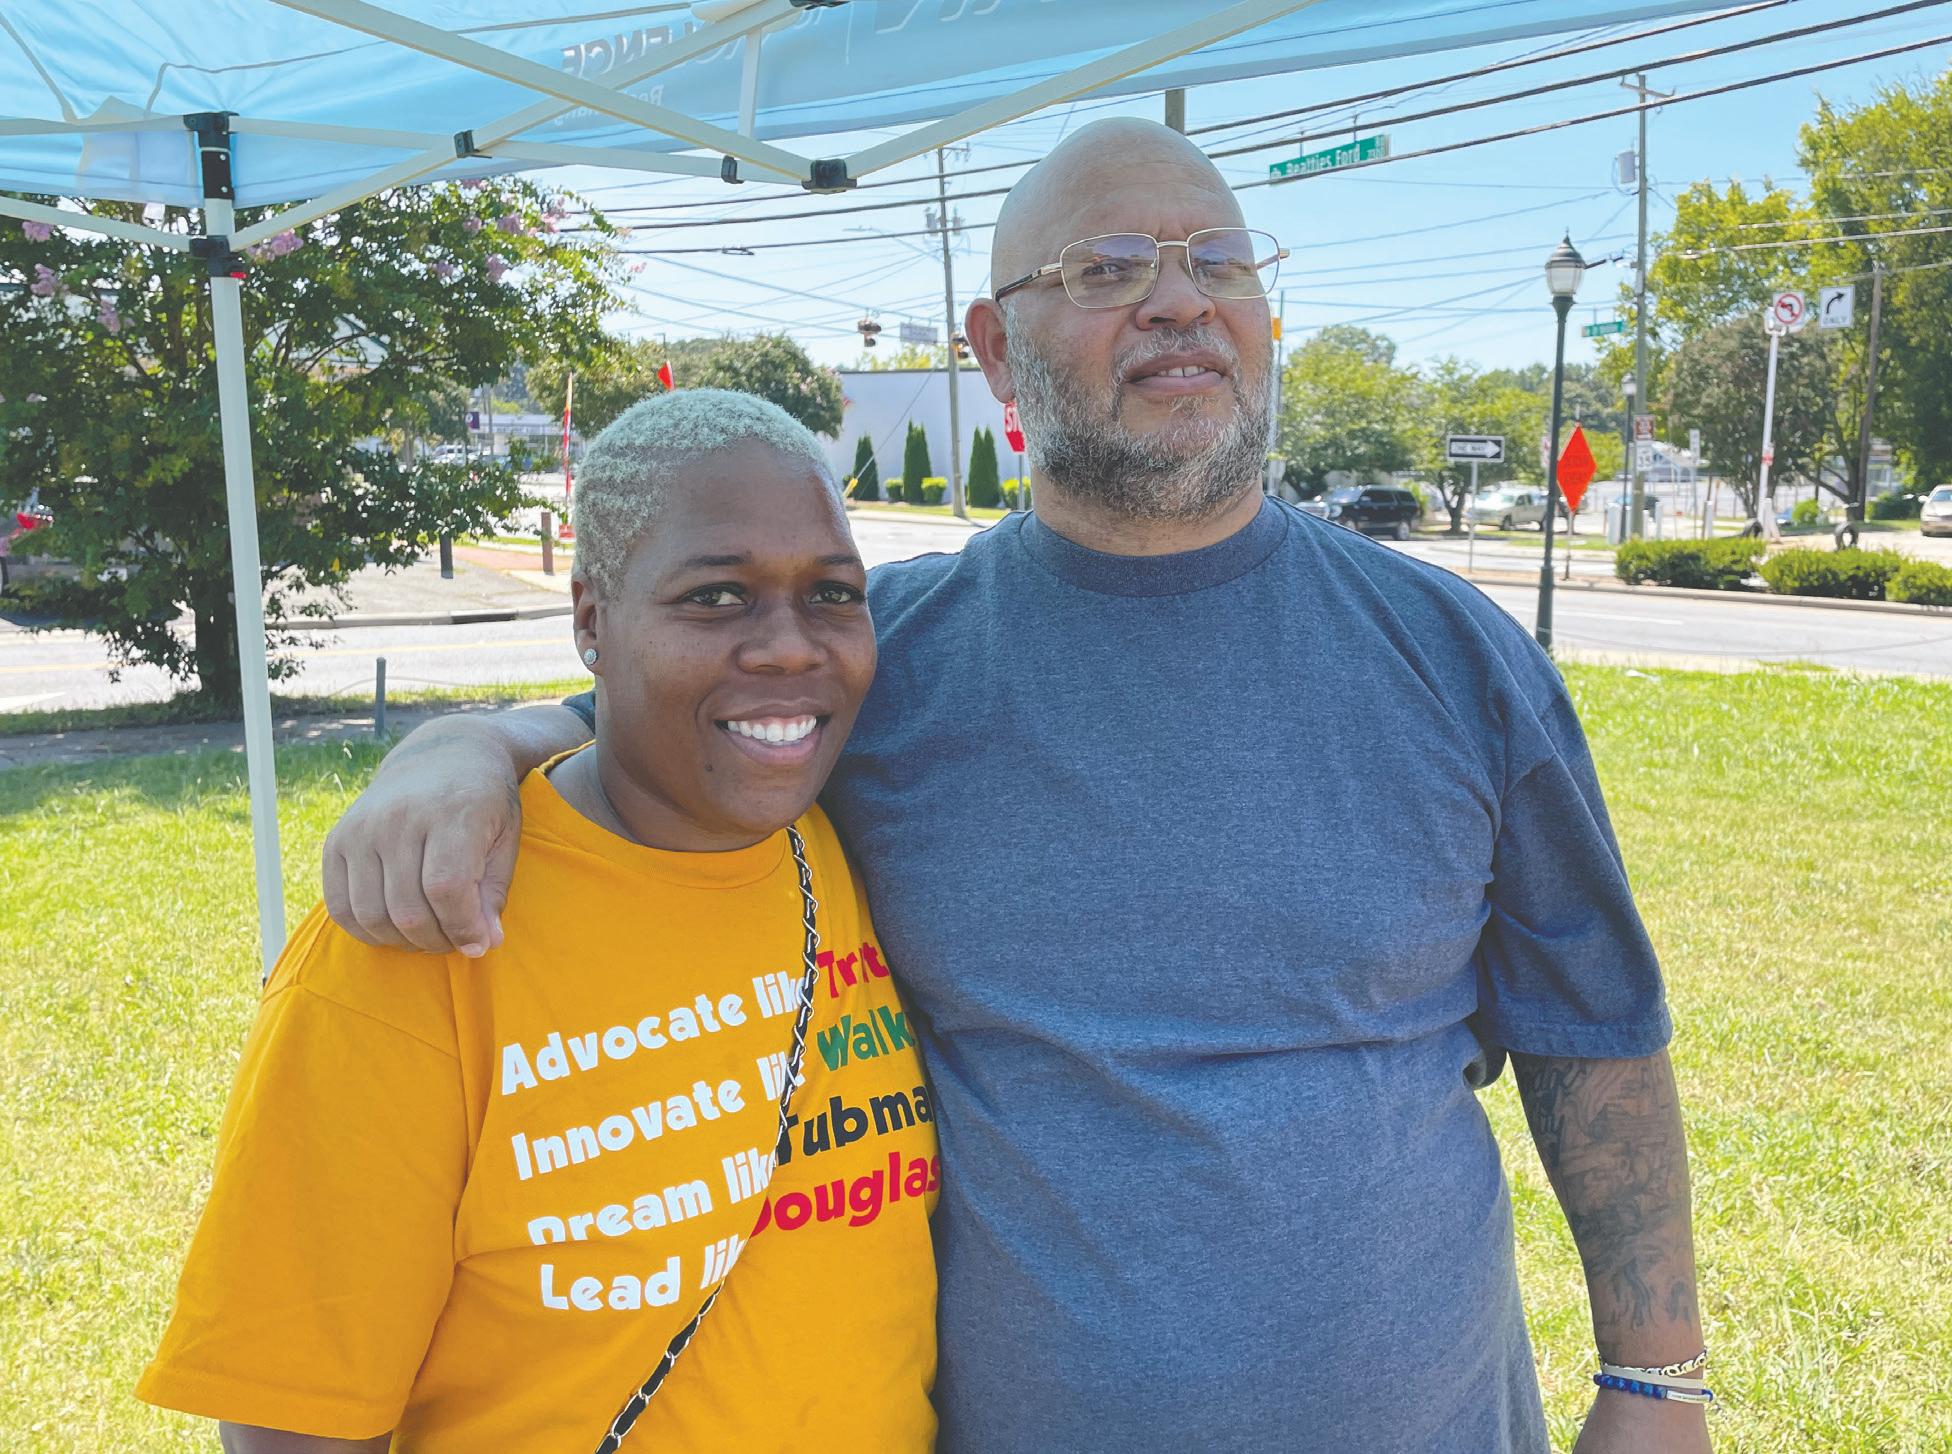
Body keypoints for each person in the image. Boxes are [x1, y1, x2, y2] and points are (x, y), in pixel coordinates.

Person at [320, 119, 1708, 1453]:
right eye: (1107, 268)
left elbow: (1594, 1031)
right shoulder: (886, 660)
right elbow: (651, 716)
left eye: (1219, 261)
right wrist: (467, 744)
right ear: (994, 347)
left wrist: (1654, 1380)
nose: (1179, 301)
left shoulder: (1451, 652)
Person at [139, 390, 939, 1452]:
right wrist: (459, 746)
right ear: (591, 622)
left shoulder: (847, 833)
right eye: (715, 596)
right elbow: (294, 1421)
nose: (790, 647)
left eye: (833, 593)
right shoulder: (425, 923)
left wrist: (469, 737)